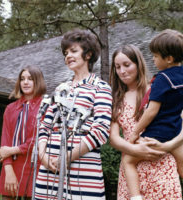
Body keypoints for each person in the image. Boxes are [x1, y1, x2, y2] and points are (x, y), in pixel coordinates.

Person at [34, 29, 112, 200]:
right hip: (49, 171)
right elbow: (45, 125)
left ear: (88, 54)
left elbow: (100, 131)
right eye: (66, 52)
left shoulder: (101, 87)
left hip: (83, 172)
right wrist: (43, 156)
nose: (68, 55)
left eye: (73, 51)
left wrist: (66, 158)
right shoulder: (61, 89)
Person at [109, 44, 183, 200]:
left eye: (127, 65)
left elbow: (179, 122)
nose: (122, 71)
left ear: (138, 64)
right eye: (117, 67)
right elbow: (113, 138)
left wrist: (169, 145)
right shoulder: (116, 100)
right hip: (131, 170)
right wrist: (134, 149)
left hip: (161, 164)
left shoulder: (159, 87)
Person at [0, 65, 47, 200]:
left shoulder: (46, 107)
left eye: (30, 79)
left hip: (36, 166)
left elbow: (39, 139)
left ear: (38, 81)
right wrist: (8, 169)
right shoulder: (10, 108)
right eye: (22, 79)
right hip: (11, 167)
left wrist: (13, 149)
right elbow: (5, 141)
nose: (25, 82)